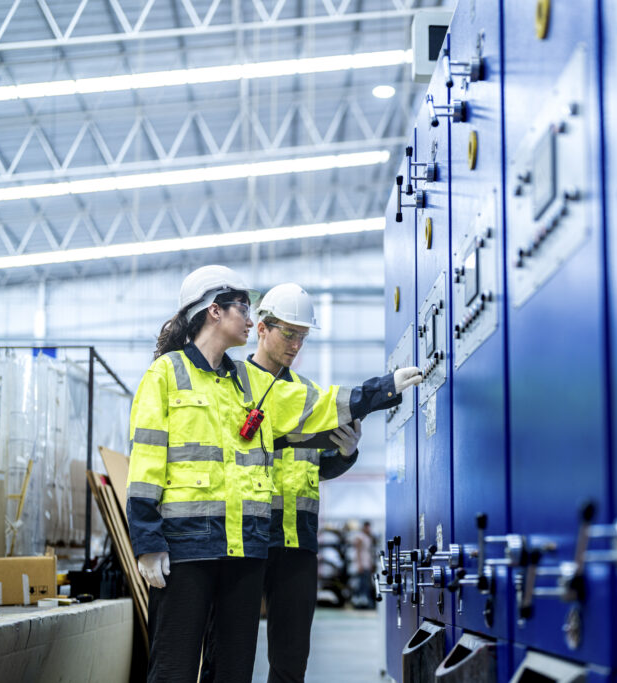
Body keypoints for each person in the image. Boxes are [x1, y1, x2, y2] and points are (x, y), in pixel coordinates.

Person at [127, 266, 422, 683]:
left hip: (245, 549)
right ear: (214, 311)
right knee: (173, 668)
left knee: (233, 670)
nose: (250, 319)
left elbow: (318, 405)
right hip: (187, 546)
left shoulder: (251, 383)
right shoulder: (166, 374)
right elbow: (146, 464)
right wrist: (147, 540)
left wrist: (381, 389)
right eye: (243, 309)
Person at [202, 282, 369, 683]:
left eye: (303, 336)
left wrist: (345, 454)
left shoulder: (309, 395)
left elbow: (317, 467)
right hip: (245, 536)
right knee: (226, 653)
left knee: (292, 661)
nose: (296, 344)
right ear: (261, 328)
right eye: (288, 333)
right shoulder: (232, 383)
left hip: (297, 540)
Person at [349, 521, 376, 609]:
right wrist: (359, 564)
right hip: (362, 563)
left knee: (366, 583)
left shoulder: (368, 537)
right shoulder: (360, 537)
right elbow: (358, 552)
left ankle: (364, 601)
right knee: (361, 583)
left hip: (367, 562)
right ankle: (359, 601)